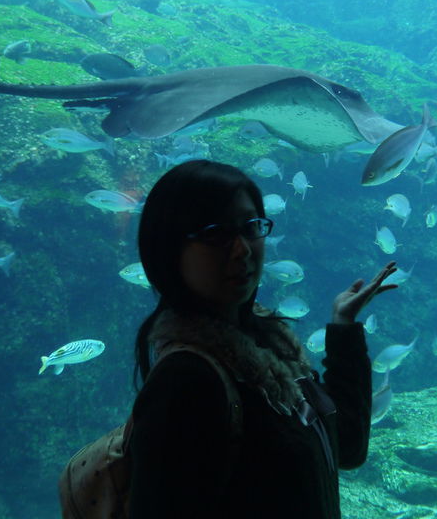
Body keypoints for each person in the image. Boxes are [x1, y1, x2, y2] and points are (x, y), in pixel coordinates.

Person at [128, 159, 397, 519]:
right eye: (215, 233)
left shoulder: (272, 349)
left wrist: (343, 327)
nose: (241, 249)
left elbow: (345, 446)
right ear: (168, 249)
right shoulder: (186, 381)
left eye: (251, 226)